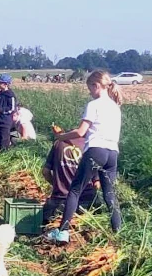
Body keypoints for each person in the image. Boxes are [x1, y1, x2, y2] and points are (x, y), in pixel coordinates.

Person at [46, 70, 122, 243]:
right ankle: (119, 233)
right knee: (110, 194)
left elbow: (81, 132)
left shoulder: (94, 105)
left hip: (96, 150)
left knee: (75, 190)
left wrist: (61, 137)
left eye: (90, 88)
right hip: (112, 153)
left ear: (96, 85)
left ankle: (63, 232)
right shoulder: (115, 107)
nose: (89, 92)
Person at [41, 132, 98, 226]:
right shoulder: (91, 147)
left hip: (58, 201)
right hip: (83, 204)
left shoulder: (59, 142)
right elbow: (97, 184)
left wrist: (57, 185)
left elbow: (45, 172)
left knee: (45, 220)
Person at [0, 75, 18, 151]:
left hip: (5, 121)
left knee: (4, 140)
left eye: (0, 82)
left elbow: (11, 108)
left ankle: (3, 156)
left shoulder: (10, 95)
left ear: (6, 84)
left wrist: (1, 110)